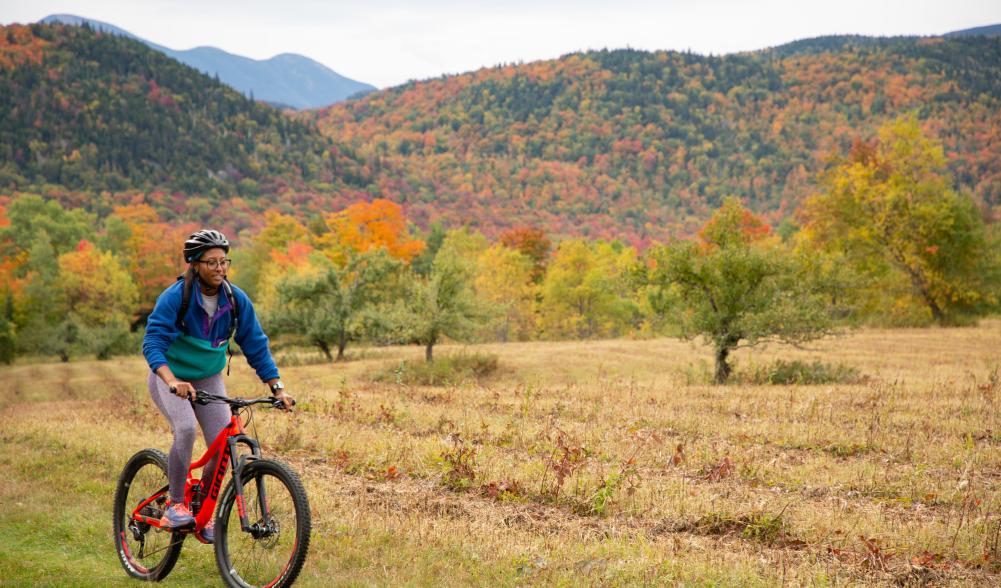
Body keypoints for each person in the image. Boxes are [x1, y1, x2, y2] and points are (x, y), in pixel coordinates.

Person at [142, 228, 293, 544]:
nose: (219, 268)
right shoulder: (176, 298)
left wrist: (276, 386)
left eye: (224, 261)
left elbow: (255, 344)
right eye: (211, 262)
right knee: (185, 429)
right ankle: (175, 503)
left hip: (209, 378)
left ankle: (202, 512)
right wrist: (171, 381)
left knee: (224, 444)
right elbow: (153, 342)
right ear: (195, 264)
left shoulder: (236, 300)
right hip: (171, 377)